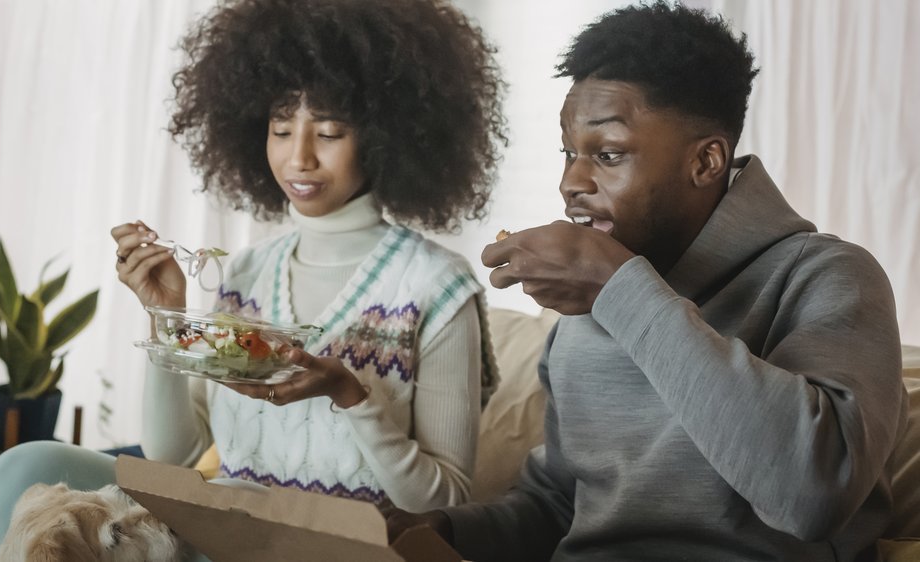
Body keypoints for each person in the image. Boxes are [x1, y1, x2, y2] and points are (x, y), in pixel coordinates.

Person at [386, 2, 907, 560]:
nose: (571, 182)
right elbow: (564, 504)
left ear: (706, 162)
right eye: (569, 154)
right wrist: (448, 529)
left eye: (608, 155)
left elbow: (813, 494)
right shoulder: (586, 309)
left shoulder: (829, 279)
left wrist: (620, 291)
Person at [0, 0, 505, 557]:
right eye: (281, 129)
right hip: (225, 528)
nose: (297, 157)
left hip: (336, 546)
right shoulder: (246, 271)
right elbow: (173, 460)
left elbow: (444, 496)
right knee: (27, 463)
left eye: (328, 132)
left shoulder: (436, 285)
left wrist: (350, 394)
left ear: (383, 137)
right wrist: (171, 320)